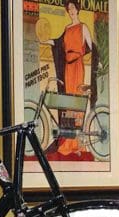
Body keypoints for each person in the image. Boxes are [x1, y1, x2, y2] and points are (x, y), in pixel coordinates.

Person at [44, 1, 98, 155]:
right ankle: (68, 141)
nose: (71, 11)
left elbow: (91, 46)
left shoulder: (83, 27)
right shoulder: (67, 28)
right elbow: (58, 43)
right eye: (69, 9)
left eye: (73, 8)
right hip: (68, 67)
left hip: (78, 67)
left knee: (77, 102)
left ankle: (77, 143)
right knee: (69, 103)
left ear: (78, 9)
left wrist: (97, 62)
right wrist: (45, 41)